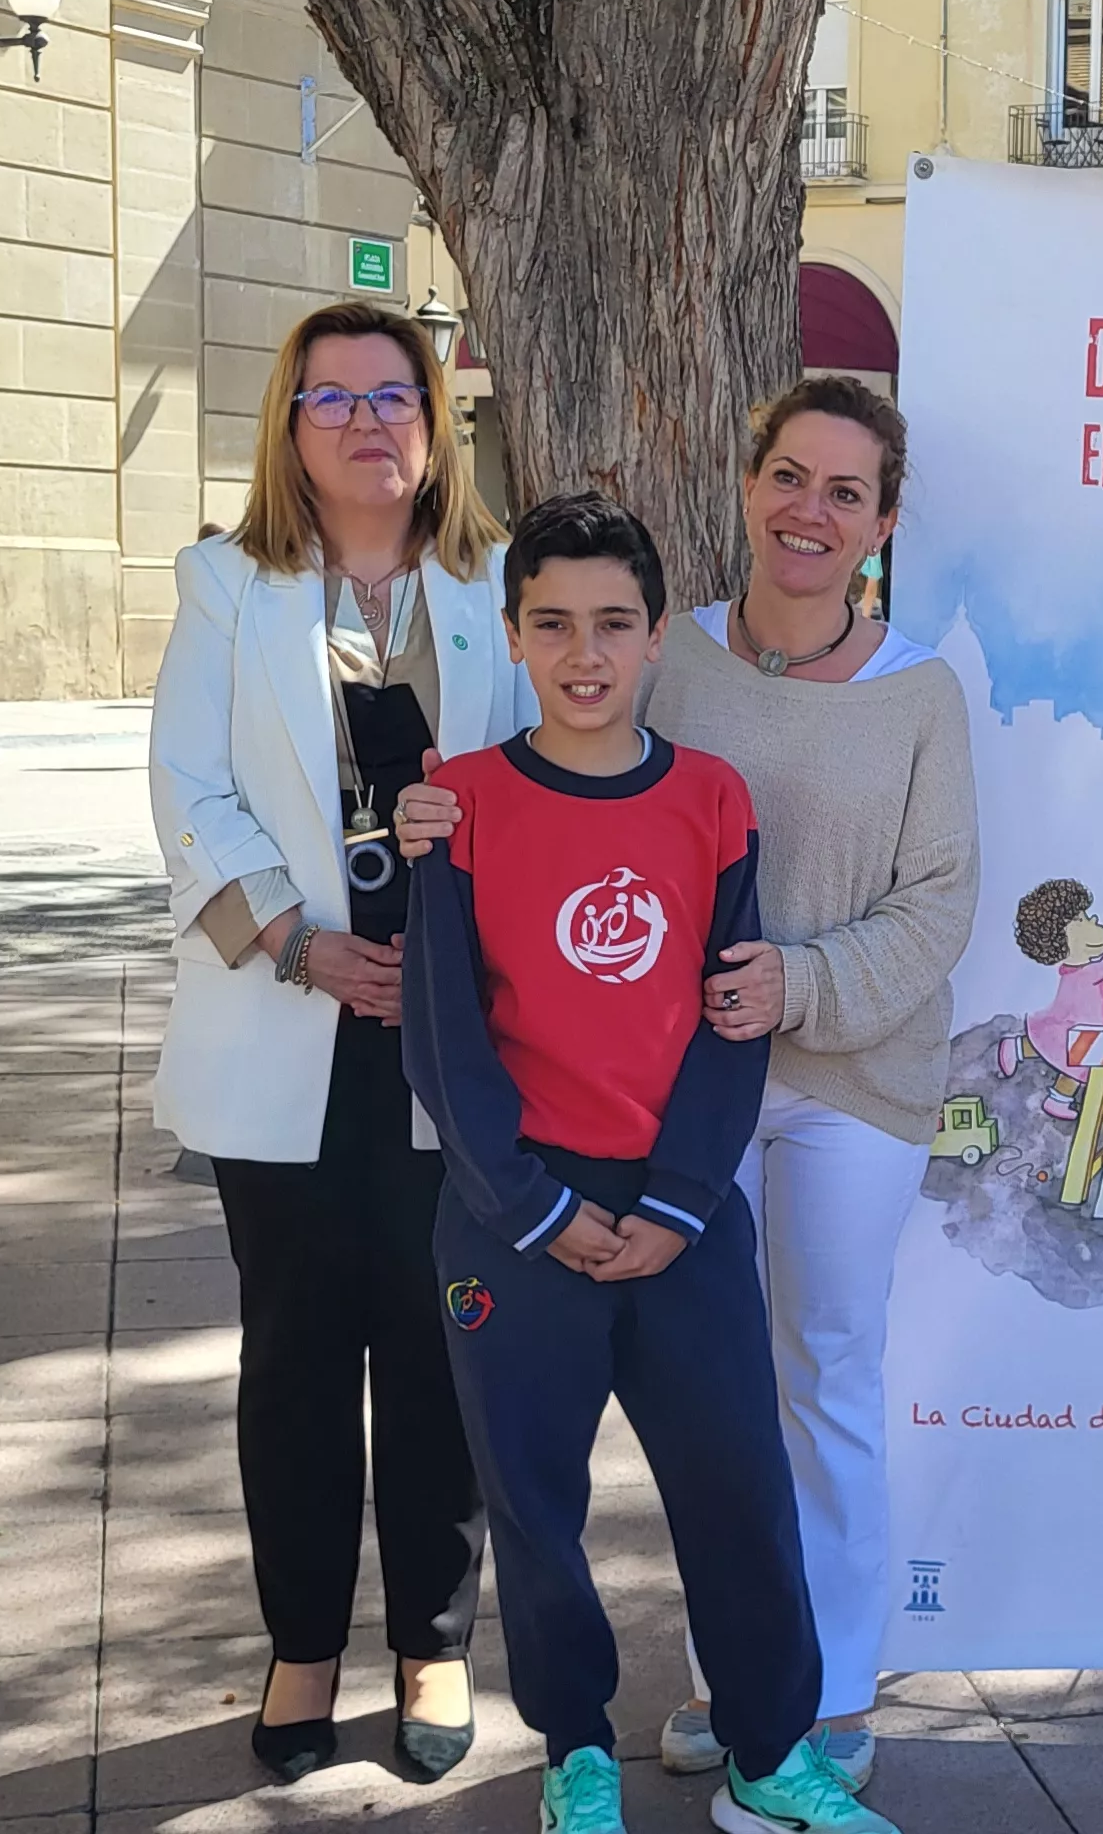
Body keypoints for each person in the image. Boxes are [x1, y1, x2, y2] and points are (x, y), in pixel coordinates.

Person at [393, 378, 981, 1794]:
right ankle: (729, 1692)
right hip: (677, 1094)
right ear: (748, 484)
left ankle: (830, 1697)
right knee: (719, 1412)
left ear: (883, 524)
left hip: (843, 1076)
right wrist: (427, 812)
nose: (810, 510)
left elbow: (940, 901)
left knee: (822, 1378)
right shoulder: (678, 652)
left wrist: (802, 983)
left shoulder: (919, 692)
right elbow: (561, 772)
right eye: (789, 477)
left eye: (847, 492)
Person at [146, 299, 515, 1786]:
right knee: (294, 1361)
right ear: (288, 429)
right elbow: (189, 789)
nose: (367, 422)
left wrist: (446, 958)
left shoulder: (498, 588)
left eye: (393, 395)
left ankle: (432, 1641)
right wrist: (302, 943)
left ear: (435, 423)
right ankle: (302, 1642)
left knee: (439, 1352)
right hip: (287, 1025)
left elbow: (546, 786)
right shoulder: (228, 587)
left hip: (454, 1044)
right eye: (333, 399)